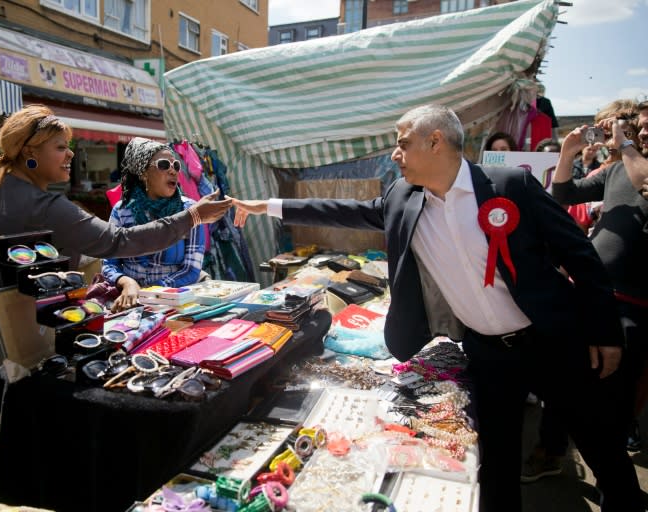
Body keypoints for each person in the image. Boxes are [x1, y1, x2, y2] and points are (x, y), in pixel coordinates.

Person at [231, 104, 642, 512]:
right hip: (488, 352)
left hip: (551, 339)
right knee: (496, 463)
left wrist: (603, 333)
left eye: (402, 143)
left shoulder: (509, 186)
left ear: (435, 141)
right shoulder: (403, 198)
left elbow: (580, 255)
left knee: (600, 444)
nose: (395, 154)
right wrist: (265, 206)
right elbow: (346, 212)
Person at [0, 105, 231, 501]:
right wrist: (192, 217)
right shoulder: (42, 205)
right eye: (60, 147)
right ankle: (26, 497)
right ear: (30, 152)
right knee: (19, 408)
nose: (70, 155)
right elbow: (118, 243)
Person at [549, 101, 648, 456]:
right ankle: (551, 451)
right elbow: (564, 194)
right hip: (589, 295)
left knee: (613, 400)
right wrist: (566, 151)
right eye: (643, 125)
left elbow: (645, 180)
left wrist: (624, 144)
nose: (645, 131)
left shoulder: (635, 165)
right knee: (563, 383)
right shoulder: (618, 170)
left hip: (631, 307)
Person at [102, 138, 207, 312]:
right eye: (165, 165)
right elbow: (109, 263)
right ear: (143, 173)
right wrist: (128, 282)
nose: (173, 171)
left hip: (173, 302)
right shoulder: (121, 211)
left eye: (176, 166)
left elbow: (191, 270)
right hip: (128, 301)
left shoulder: (189, 211)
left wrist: (150, 292)